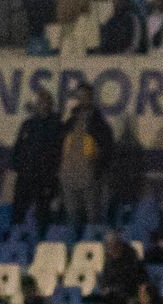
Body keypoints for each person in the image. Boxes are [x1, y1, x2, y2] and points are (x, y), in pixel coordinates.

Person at [59, 85, 113, 227]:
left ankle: (91, 245)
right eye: (80, 97)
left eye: (86, 97)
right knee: (72, 217)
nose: (83, 100)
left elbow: (107, 151)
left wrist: (96, 172)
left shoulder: (99, 124)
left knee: (93, 218)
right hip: (69, 177)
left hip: (89, 179)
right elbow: (59, 146)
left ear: (92, 98)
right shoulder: (70, 122)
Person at [10, 89, 62, 232]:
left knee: (43, 212)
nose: (43, 105)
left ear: (51, 105)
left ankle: (41, 240)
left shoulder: (56, 125)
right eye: (40, 102)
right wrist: (17, 166)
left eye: (46, 102)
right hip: (25, 176)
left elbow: (58, 152)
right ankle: (17, 237)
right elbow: (18, 147)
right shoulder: (28, 125)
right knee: (19, 210)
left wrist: (53, 173)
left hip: (45, 178)